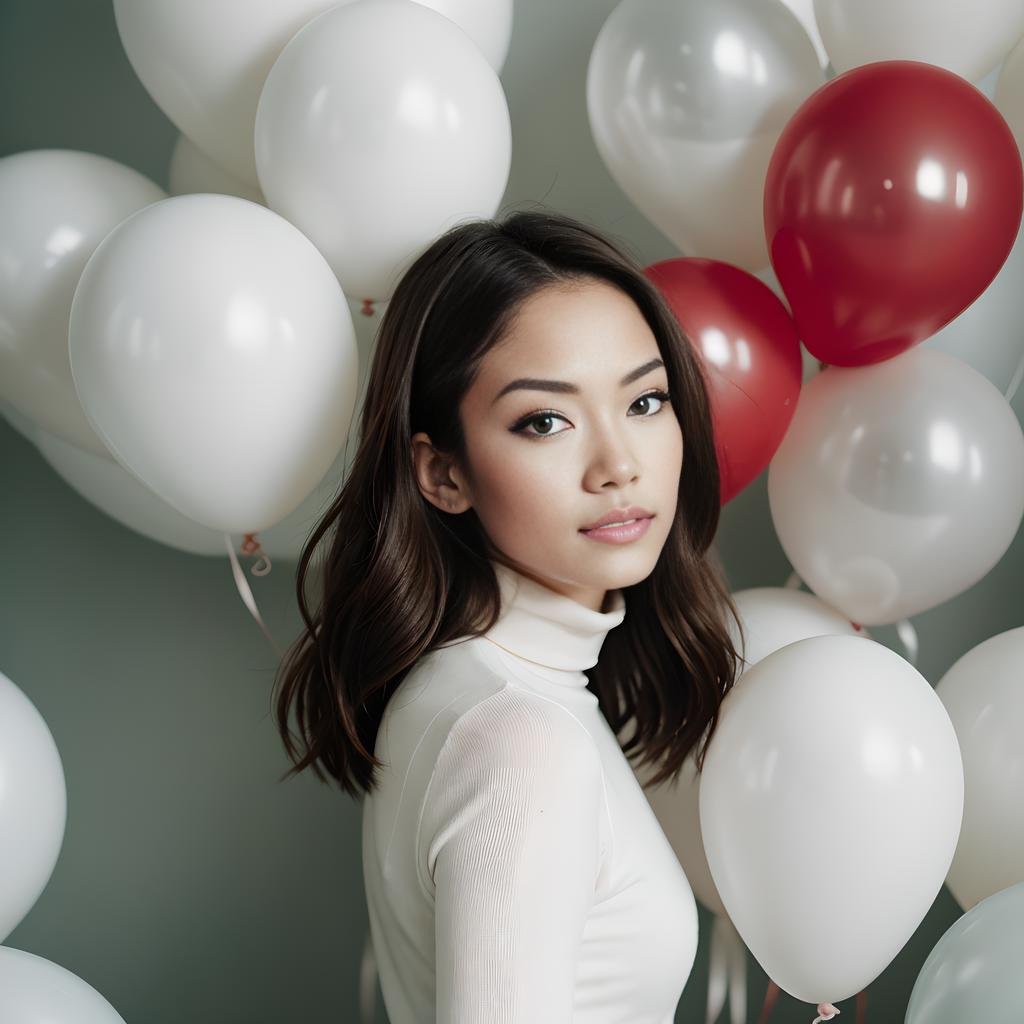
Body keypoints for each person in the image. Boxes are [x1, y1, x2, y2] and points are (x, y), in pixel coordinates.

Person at [271, 208, 744, 1023]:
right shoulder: (520, 737)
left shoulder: (469, 691)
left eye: (645, 401)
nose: (618, 466)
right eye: (545, 420)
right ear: (442, 473)